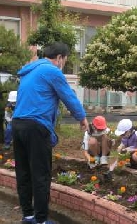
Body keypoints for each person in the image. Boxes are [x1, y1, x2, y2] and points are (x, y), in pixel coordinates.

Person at [12, 42, 88, 224]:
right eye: (65, 60)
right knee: (41, 174)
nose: (64, 63)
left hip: (17, 125)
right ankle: (40, 220)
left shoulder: (28, 71)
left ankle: (28, 215)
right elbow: (68, 95)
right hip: (36, 127)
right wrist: (82, 118)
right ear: (60, 58)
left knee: (23, 172)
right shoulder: (52, 71)